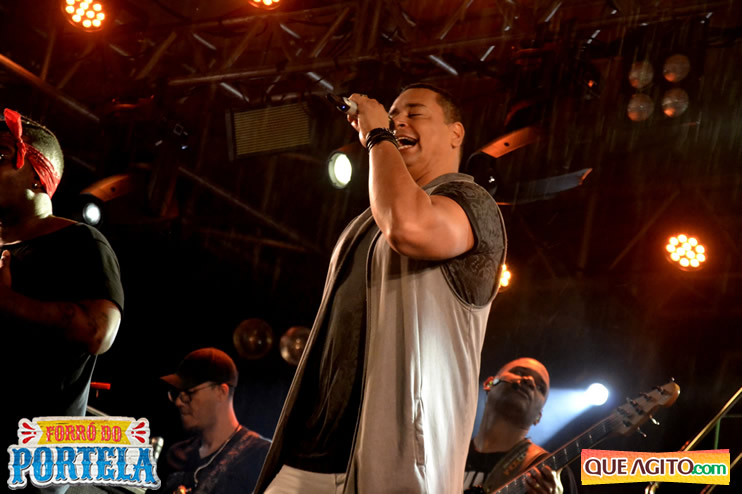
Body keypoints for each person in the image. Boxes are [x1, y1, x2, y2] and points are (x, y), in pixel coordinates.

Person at [256, 84, 507, 493]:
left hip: (393, 462)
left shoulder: (470, 202)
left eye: (415, 113)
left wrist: (377, 134)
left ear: (455, 133)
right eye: (392, 115)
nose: (398, 121)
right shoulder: (370, 220)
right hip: (312, 457)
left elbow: (410, 227)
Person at [0, 109, 124, 493]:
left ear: (38, 174)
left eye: (0, 155)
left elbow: (99, 332)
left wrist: (6, 300)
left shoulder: (80, 243)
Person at [160, 347, 271, 494]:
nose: (179, 402)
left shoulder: (261, 457)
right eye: (176, 394)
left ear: (221, 392)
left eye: (189, 393)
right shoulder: (177, 455)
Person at [463, 358, 577, 494]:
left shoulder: (551, 472)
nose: (530, 381)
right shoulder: (452, 455)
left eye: (540, 388)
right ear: (489, 384)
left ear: (538, 417)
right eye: (519, 372)